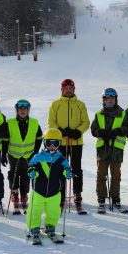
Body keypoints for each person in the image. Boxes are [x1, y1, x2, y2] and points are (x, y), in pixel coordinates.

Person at [48, 79, 90, 214]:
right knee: (60, 168)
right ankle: (60, 195)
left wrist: (78, 131)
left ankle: (77, 194)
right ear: (62, 89)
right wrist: (61, 132)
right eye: (65, 88)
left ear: (74, 89)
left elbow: (86, 122)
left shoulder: (80, 105)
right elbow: (51, 122)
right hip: (61, 143)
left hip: (76, 142)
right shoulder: (55, 104)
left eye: (70, 88)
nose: (68, 90)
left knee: (76, 168)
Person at [26, 128, 73, 244]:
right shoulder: (37, 157)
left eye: (55, 143)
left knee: (54, 211)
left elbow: (66, 169)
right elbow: (31, 166)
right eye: (49, 143)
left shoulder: (62, 159)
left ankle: (50, 227)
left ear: (59, 144)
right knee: (35, 210)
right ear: (44, 143)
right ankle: (34, 228)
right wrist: (32, 172)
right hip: (38, 191)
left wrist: (67, 172)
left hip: (54, 192)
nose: (52, 146)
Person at [90, 88, 128, 213]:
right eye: (108, 98)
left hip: (116, 149)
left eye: (112, 98)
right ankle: (101, 198)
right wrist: (100, 132)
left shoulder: (122, 113)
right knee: (101, 174)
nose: (110, 100)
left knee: (116, 175)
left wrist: (118, 131)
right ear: (104, 100)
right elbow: (93, 130)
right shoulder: (99, 114)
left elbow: (127, 128)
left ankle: (115, 197)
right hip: (103, 149)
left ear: (115, 99)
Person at [1, 99, 43, 215]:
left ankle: (24, 196)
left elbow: (39, 138)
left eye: (25, 109)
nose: (23, 111)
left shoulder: (34, 123)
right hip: (14, 155)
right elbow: (5, 140)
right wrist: (3, 155)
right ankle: (14, 196)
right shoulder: (10, 123)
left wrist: (35, 152)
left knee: (26, 175)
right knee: (14, 175)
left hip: (28, 155)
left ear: (28, 110)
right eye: (20, 109)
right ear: (17, 110)